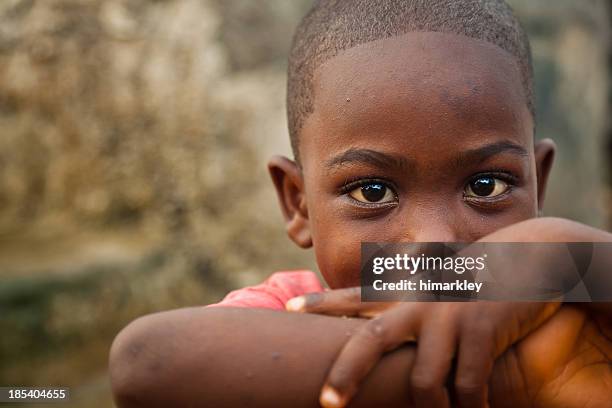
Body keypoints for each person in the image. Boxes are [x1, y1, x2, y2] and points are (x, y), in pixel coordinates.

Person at [109, 1, 612, 407]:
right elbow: (149, 362)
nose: (434, 246)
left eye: (487, 187)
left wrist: (553, 256)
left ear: (538, 185)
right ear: (298, 204)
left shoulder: (569, 311)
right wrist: (512, 378)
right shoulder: (289, 315)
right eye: (373, 192)